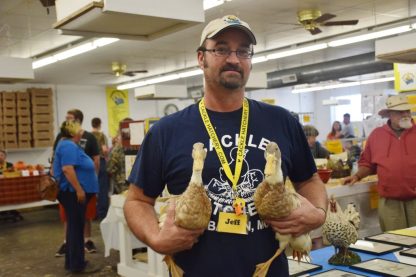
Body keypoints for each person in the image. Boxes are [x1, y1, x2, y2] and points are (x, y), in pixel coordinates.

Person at [124, 15, 327, 277]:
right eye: (221, 48)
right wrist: (155, 237)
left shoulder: (282, 121)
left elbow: (309, 179)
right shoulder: (166, 131)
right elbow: (137, 200)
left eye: (243, 50)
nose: (234, 58)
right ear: (201, 58)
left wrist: (319, 213)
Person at [344, 94, 416, 231]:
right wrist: (357, 176)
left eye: (407, 110)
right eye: (400, 112)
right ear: (390, 114)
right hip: (390, 201)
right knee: (395, 242)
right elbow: (367, 163)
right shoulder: (377, 135)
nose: (405, 114)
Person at [53, 120, 100, 273]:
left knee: (74, 227)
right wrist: (79, 190)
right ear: (72, 132)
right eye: (79, 129)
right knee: (76, 228)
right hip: (73, 193)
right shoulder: (67, 145)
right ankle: (77, 266)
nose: (82, 131)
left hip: (73, 193)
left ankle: (72, 263)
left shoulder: (68, 144)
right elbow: (67, 169)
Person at [91, 117, 110, 219]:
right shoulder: (101, 135)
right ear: (100, 124)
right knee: (102, 188)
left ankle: (93, 213)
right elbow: (105, 150)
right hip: (100, 162)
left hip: (90, 164)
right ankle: (102, 213)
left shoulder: (88, 135)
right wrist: (107, 157)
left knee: (92, 188)